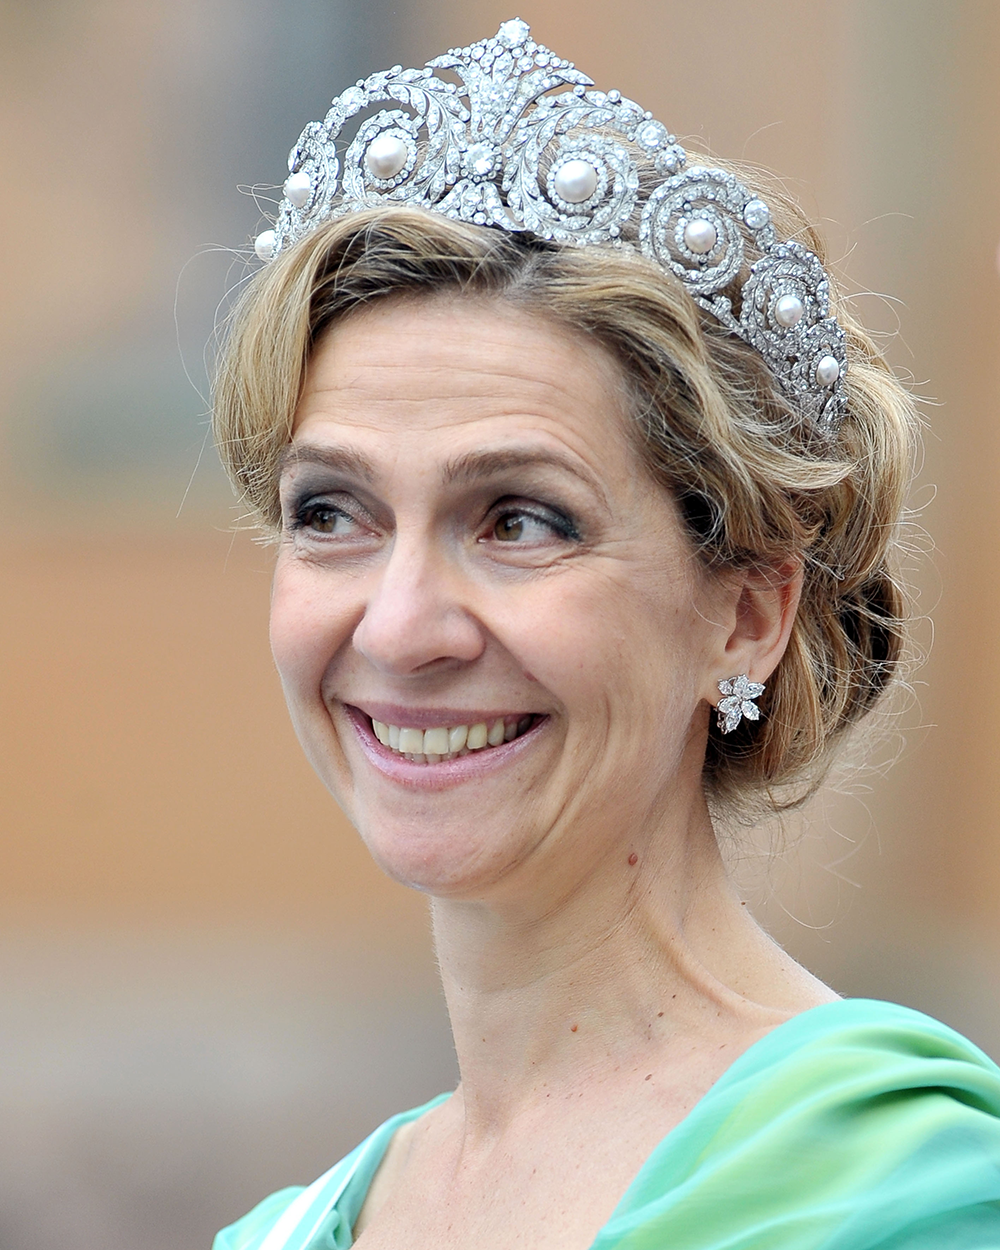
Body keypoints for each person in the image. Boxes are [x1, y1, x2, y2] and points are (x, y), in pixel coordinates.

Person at [210, 20, 1000, 1250]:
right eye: (333, 513)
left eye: (519, 518)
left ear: (744, 613)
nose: (403, 622)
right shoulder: (285, 1231)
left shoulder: (896, 1188)